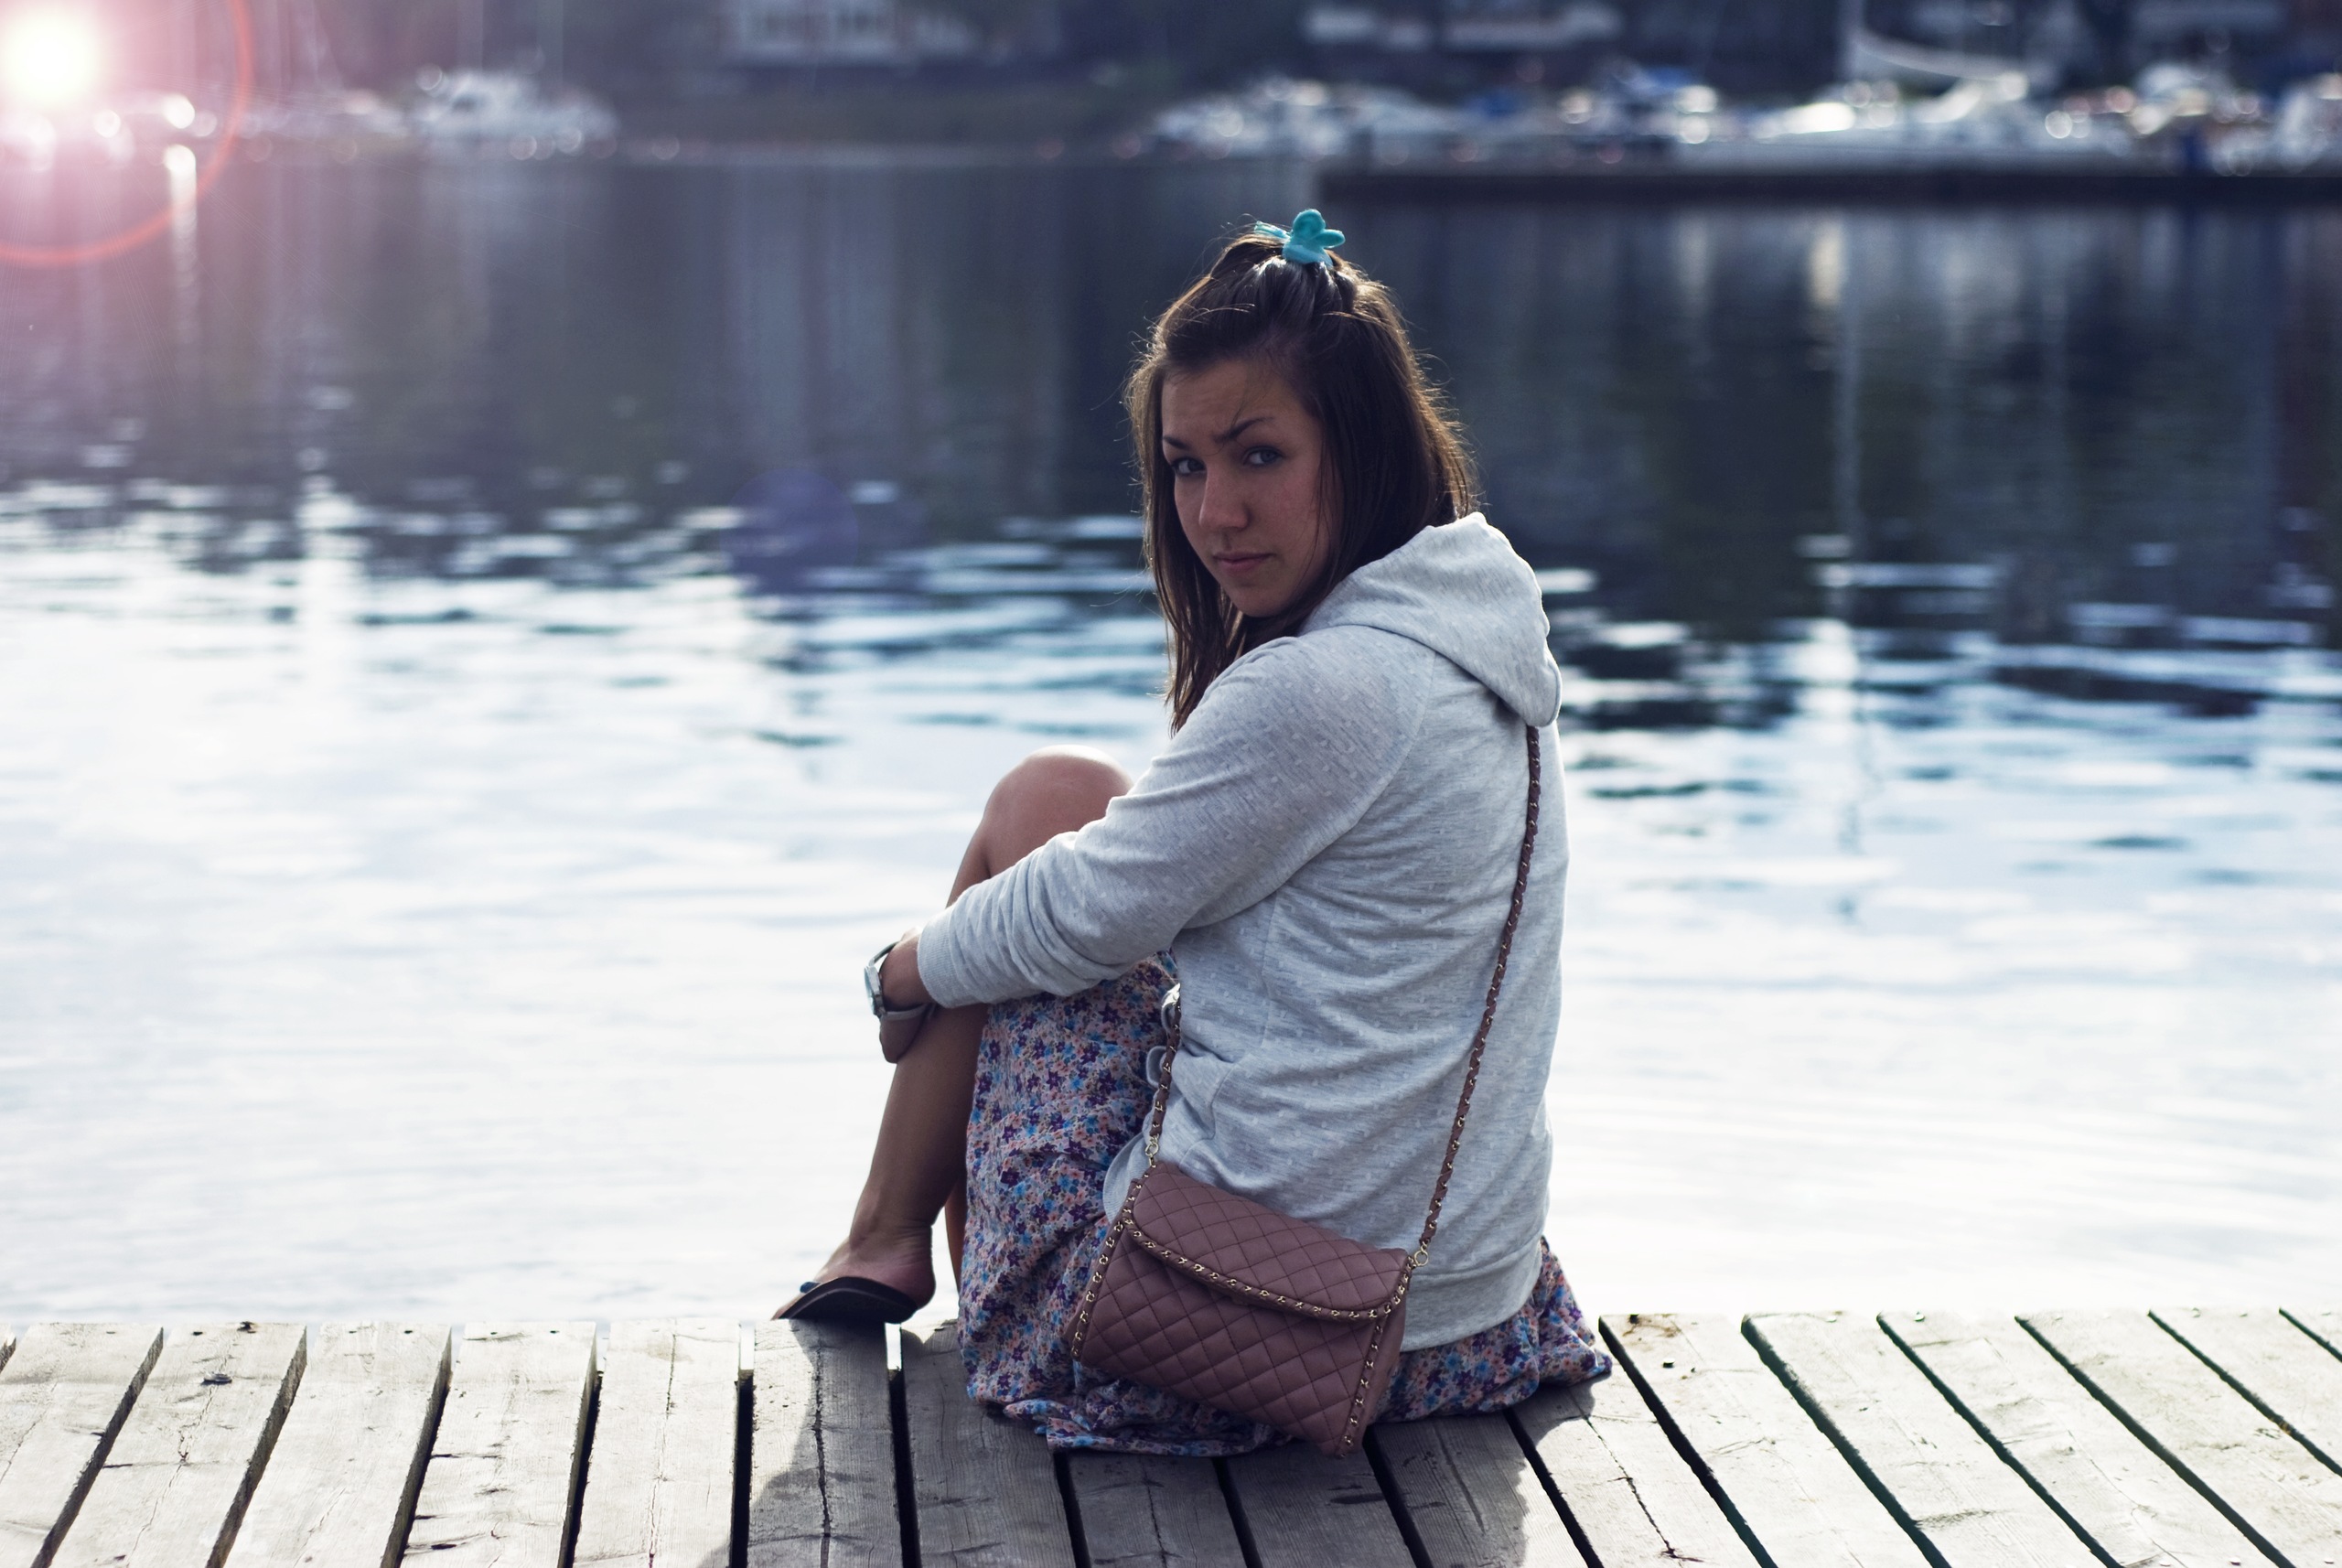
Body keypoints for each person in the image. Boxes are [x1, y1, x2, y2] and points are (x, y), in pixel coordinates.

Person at [776, 211, 1607, 1454]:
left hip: (1237, 1338)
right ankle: (883, 1234)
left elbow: (1078, 917)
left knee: (1029, 846)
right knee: (1065, 801)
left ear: (1363, 448)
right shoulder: (1484, 648)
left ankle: (887, 1237)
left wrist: (899, 971)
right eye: (1184, 466)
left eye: (1259, 455)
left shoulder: (1324, 689)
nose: (1215, 512)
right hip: (1474, 1320)